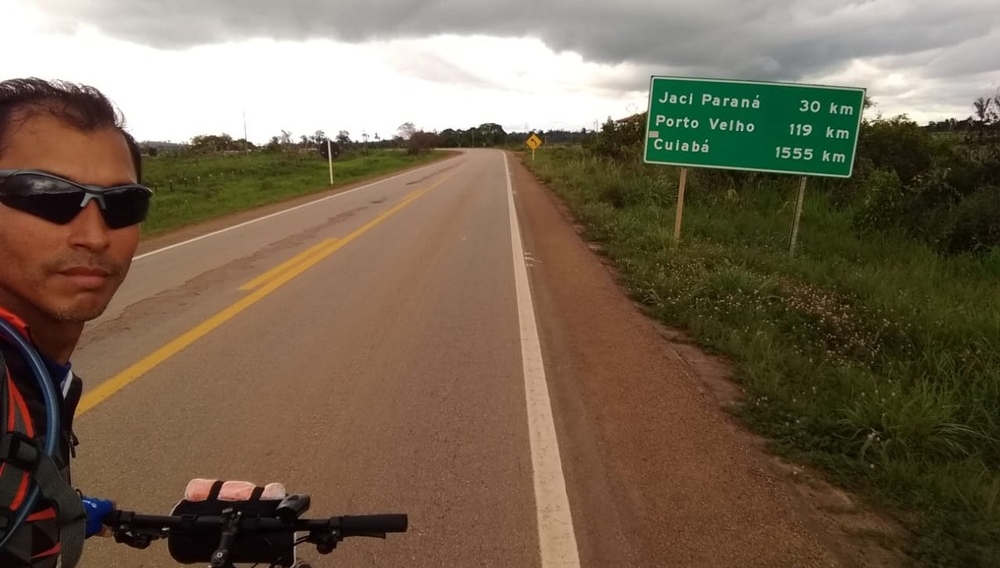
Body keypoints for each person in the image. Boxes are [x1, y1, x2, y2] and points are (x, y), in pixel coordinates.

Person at [0, 77, 151, 566]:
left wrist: (48, 507)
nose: (94, 236)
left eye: (122, 204)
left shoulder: (33, 369)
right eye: (45, 195)